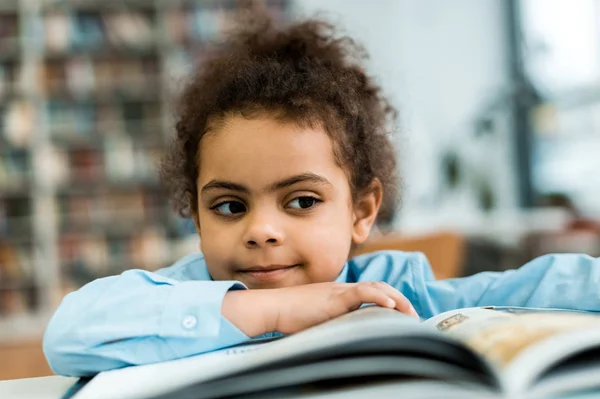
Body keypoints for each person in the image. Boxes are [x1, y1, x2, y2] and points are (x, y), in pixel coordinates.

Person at [43, 12, 600, 377]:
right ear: (195, 211)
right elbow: (69, 334)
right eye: (229, 206)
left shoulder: (392, 290)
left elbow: (523, 288)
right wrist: (277, 309)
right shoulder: (186, 290)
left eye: (301, 201)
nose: (261, 230)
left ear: (361, 210)